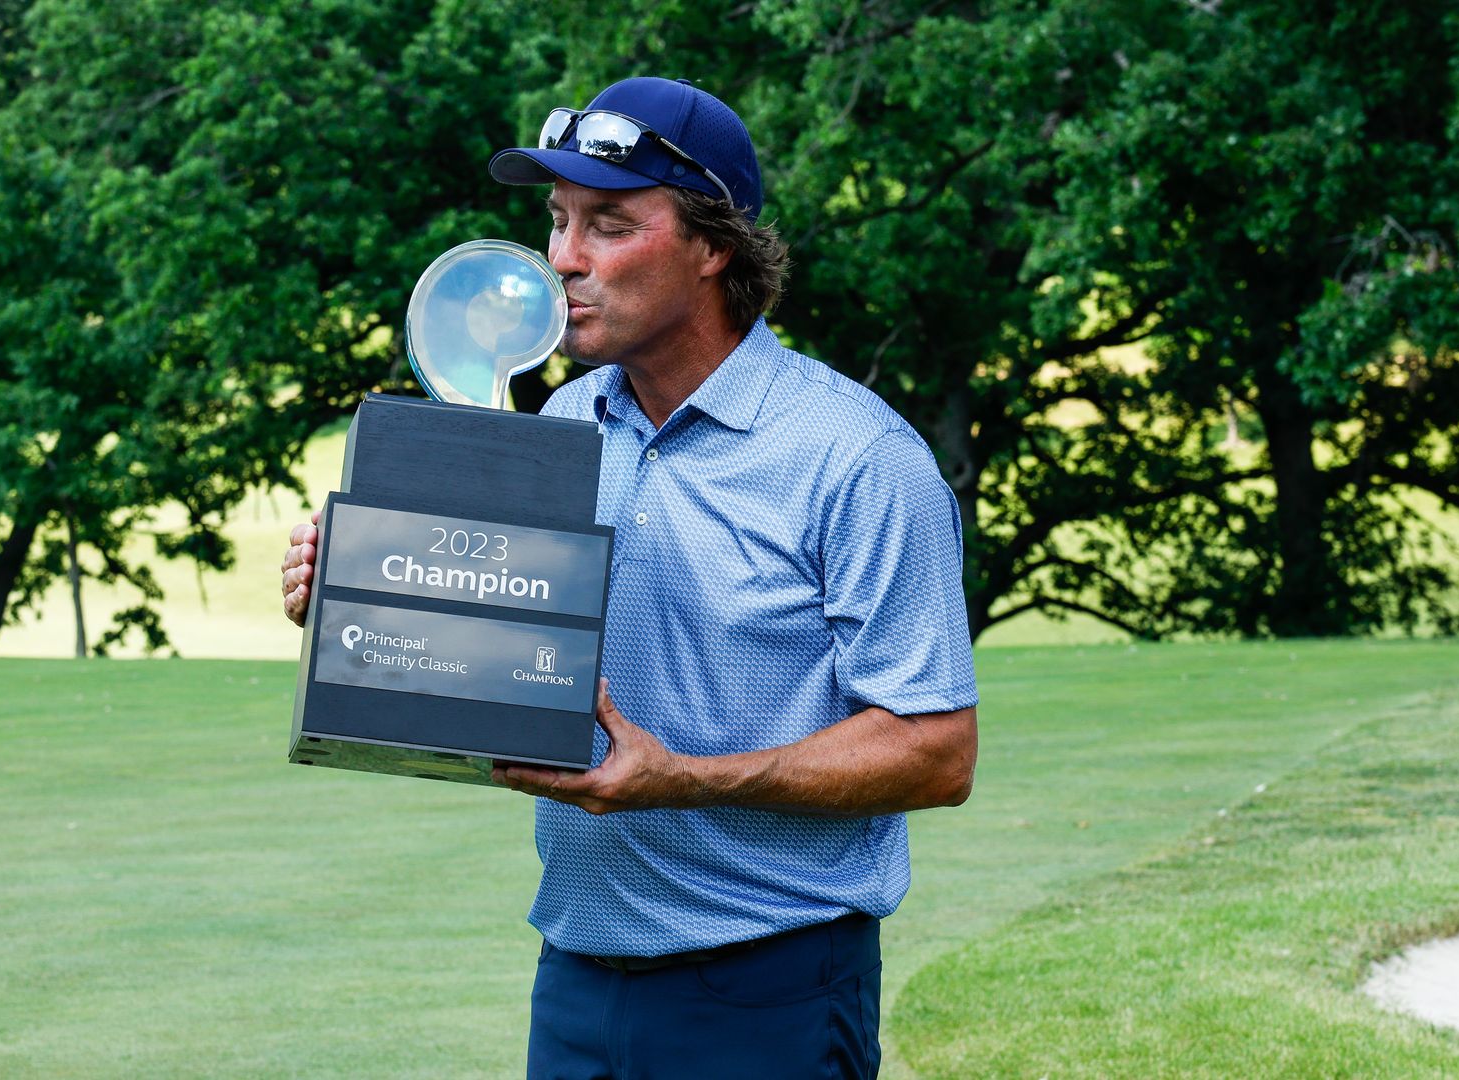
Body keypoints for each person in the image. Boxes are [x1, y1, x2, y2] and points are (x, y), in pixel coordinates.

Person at [279, 76, 978, 1080]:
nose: (564, 258)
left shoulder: (857, 457)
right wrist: (360, 590)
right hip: (574, 977)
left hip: (767, 990)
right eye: (558, 221)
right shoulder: (565, 427)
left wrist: (681, 782)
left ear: (711, 245)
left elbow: (936, 753)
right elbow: (491, 656)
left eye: (608, 224)